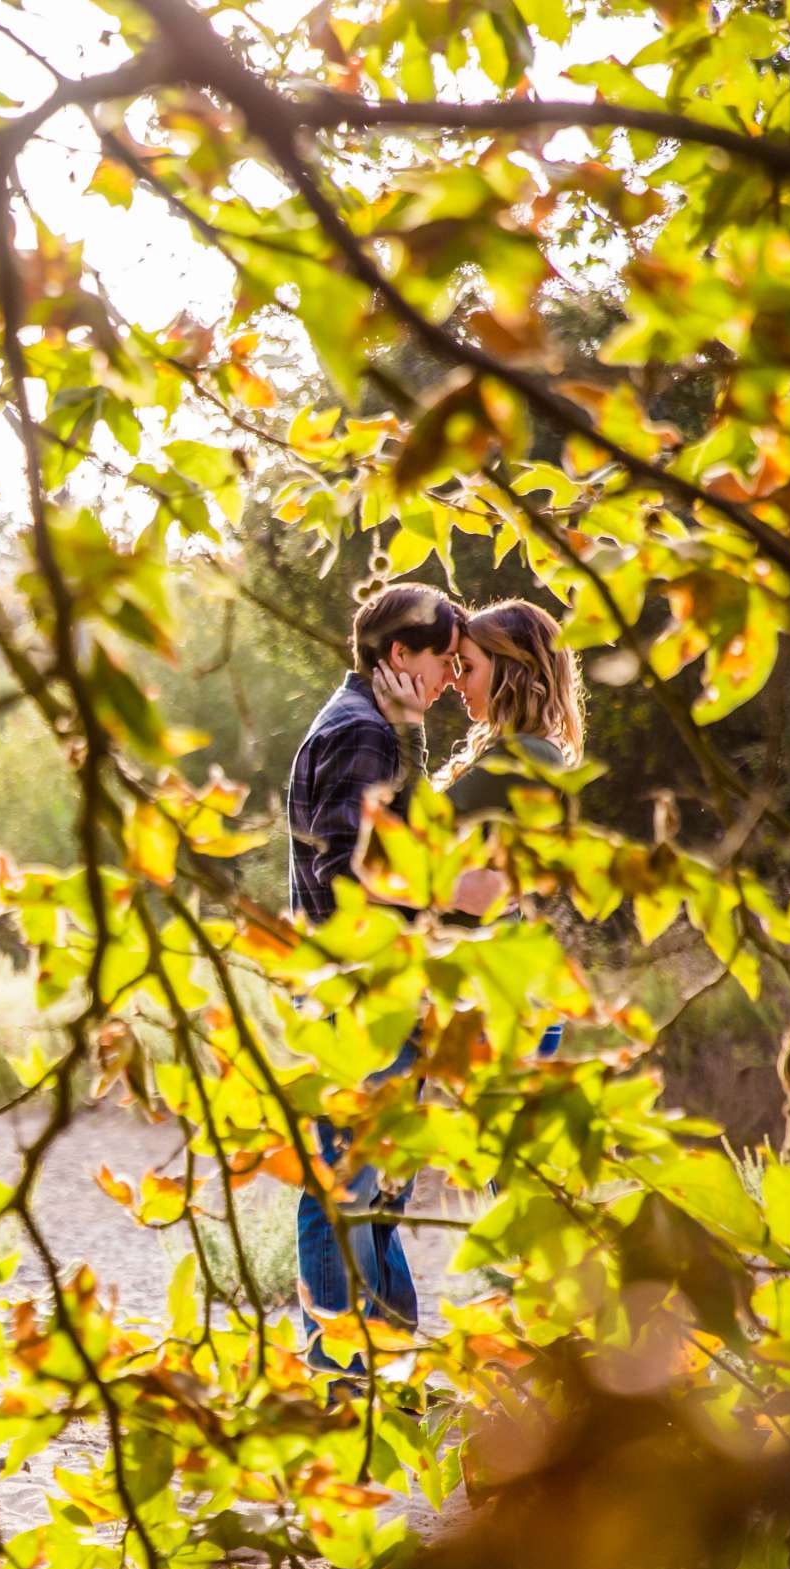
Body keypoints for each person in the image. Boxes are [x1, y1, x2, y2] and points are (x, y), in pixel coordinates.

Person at [283, 581, 472, 1374]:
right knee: (347, 1194)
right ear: (401, 655)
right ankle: (342, 1377)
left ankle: (383, 1374)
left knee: (378, 1194)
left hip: (364, 999)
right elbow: (351, 878)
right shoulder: (362, 735)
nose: (450, 679)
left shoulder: (370, 728)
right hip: (360, 1004)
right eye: (443, 661)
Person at [437, 597, 586, 1061]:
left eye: (467, 667)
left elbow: (418, 827)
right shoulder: (522, 750)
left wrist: (401, 722)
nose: (456, 683)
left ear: (510, 670)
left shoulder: (528, 755)